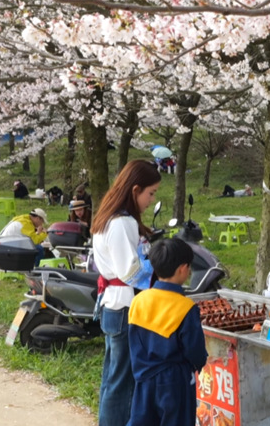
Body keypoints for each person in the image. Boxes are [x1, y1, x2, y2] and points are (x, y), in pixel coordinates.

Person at [90, 159, 160, 426]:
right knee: (122, 382)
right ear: (135, 190)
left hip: (113, 305)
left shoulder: (110, 217)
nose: (150, 200)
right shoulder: (122, 222)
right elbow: (131, 272)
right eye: (150, 193)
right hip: (124, 307)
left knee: (113, 378)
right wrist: (159, 261)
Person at [127, 237, 208, 426]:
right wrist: (199, 363)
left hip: (143, 378)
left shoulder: (139, 300)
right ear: (182, 269)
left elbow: (132, 341)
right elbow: (195, 351)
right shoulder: (186, 308)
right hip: (174, 383)